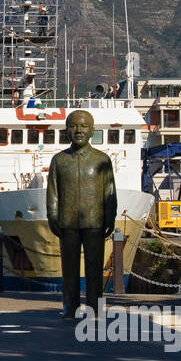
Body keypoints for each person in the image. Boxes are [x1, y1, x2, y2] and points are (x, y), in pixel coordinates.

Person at [46, 110, 117, 319]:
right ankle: (70, 307)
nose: (78, 130)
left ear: (92, 131)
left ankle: (95, 308)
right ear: (66, 130)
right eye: (73, 126)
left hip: (94, 221)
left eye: (84, 126)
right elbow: (53, 191)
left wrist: (110, 216)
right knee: (69, 269)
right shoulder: (59, 160)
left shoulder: (101, 160)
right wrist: (52, 214)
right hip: (67, 222)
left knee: (95, 268)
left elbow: (109, 191)